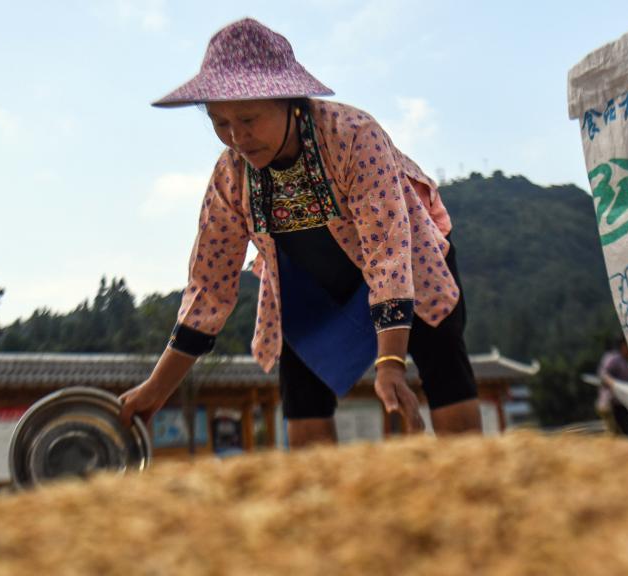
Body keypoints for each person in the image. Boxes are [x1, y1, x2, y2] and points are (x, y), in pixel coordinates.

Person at [119, 18, 481, 448]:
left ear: (290, 101)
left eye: (249, 119)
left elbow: (388, 254)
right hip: (309, 287)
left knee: (450, 394)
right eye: (220, 123)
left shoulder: (352, 136)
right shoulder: (231, 175)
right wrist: (156, 389)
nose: (237, 137)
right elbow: (209, 288)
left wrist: (390, 361)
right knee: (305, 422)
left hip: (407, 266)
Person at [596, 336, 628, 436]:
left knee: (625, 432)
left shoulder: (627, 364)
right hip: (612, 404)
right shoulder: (613, 358)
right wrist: (613, 384)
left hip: (624, 405)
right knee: (617, 433)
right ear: (623, 346)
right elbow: (603, 375)